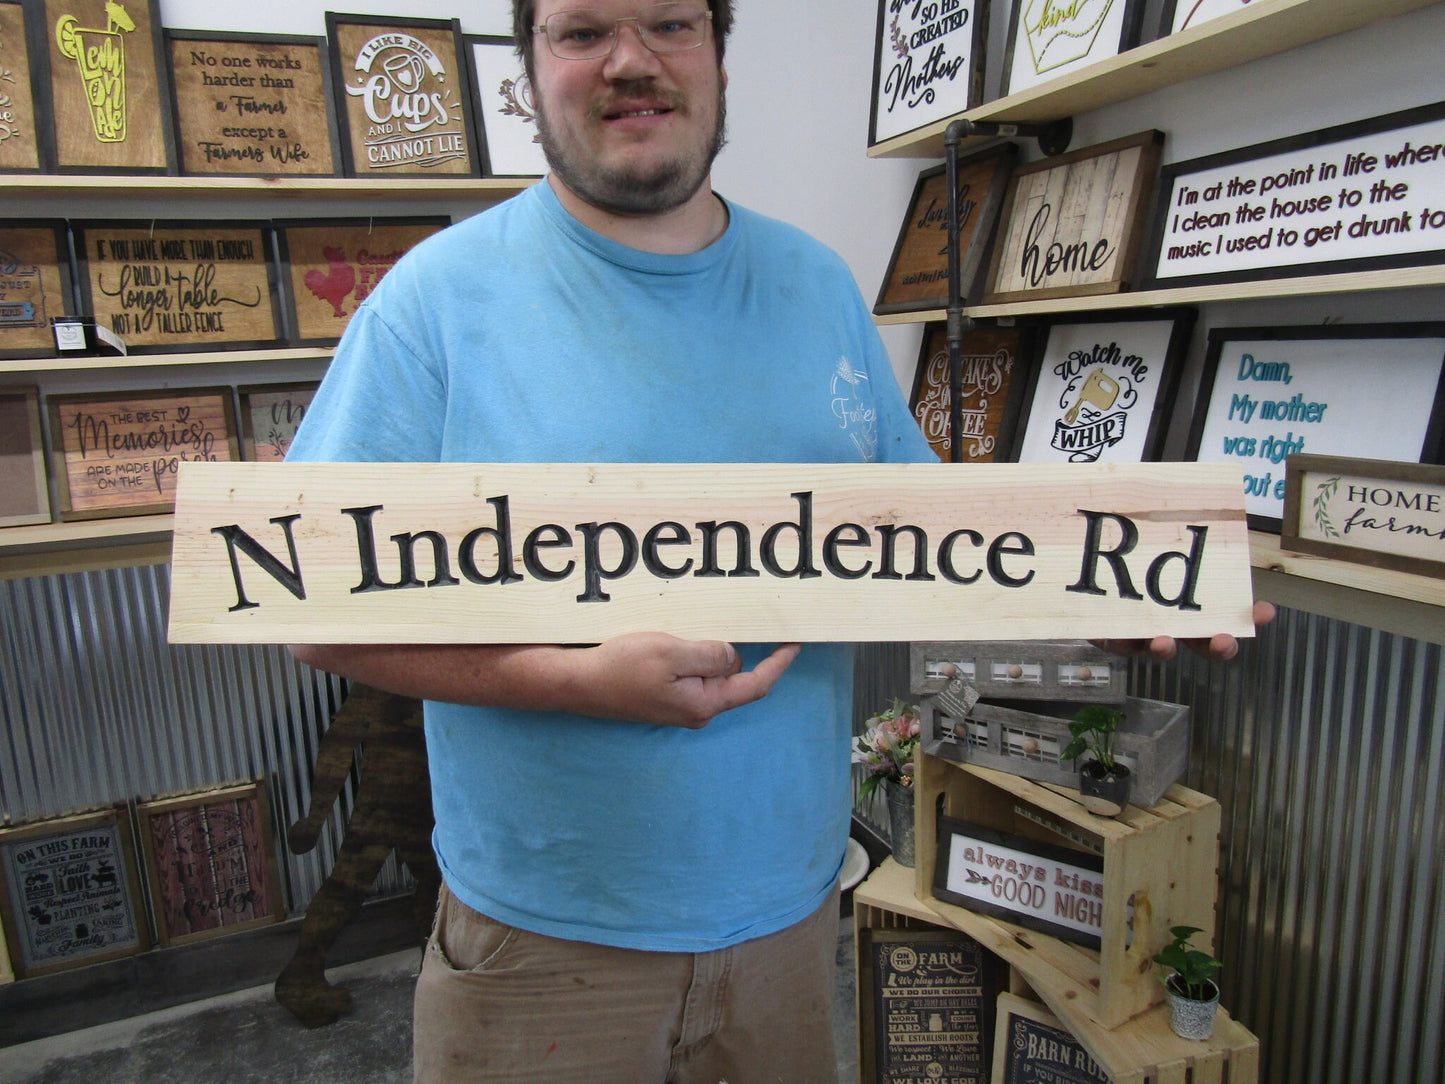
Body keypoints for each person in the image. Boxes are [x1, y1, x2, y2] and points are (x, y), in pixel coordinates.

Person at [286, 2, 1271, 1079]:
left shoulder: (817, 285)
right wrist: (571, 681)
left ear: (716, 53)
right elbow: (315, 614)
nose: (631, 61)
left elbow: (935, 553)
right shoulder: (431, 302)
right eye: (582, 30)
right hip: (543, 945)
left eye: (670, 22)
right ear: (529, 66)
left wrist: (1093, 601)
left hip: (791, 926)